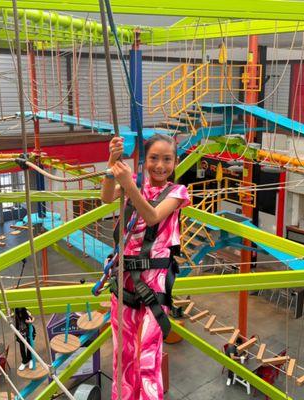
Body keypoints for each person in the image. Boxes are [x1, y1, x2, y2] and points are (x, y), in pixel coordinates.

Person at [101, 134, 190, 400]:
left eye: (167, 159)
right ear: (145, 161)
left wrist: (129, 185)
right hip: (125, 281)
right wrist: (111, 163)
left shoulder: (177, 192)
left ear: (175, 162)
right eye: (154, 158)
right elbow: (106, 197)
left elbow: (152, 216)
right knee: (123, 356)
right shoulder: (135, 186)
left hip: (154, 284)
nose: (160, 165)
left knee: (147, 359)